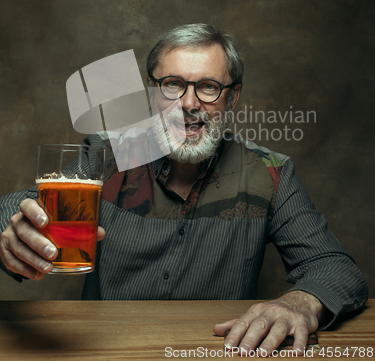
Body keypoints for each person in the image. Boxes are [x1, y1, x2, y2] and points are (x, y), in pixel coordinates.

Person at [0, 24, 368, 356]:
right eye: (173, 84)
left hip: (218, 351)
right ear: (152, 93)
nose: (189, 104)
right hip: (103, 350)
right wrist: (11, 231)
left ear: (232, 97)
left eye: (208, 87)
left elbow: (334, 267)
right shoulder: (106, 155)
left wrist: (300, 303)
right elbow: (21, 207)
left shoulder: (270, 173)